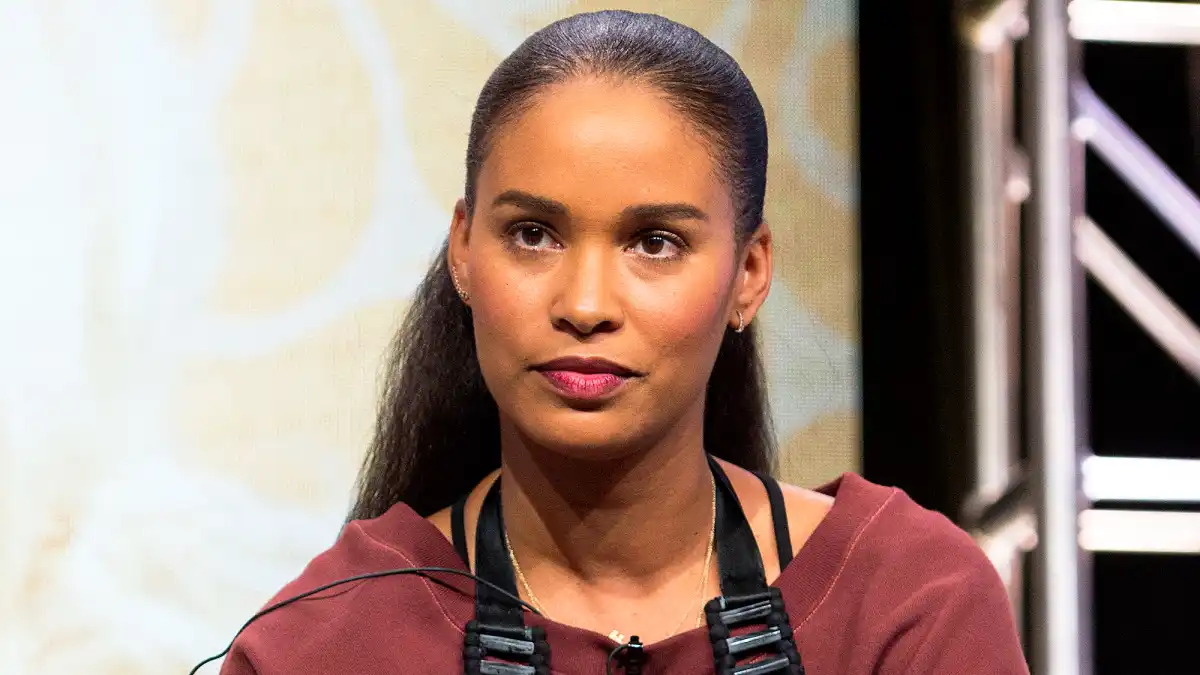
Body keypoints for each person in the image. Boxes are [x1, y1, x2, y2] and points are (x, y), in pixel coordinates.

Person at [215, 10, 1027, 675]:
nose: (585, 303)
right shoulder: (324, 644)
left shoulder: (905, 606)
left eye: (655, 242)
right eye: (532, 234)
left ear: (749, 271)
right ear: (462, 250)